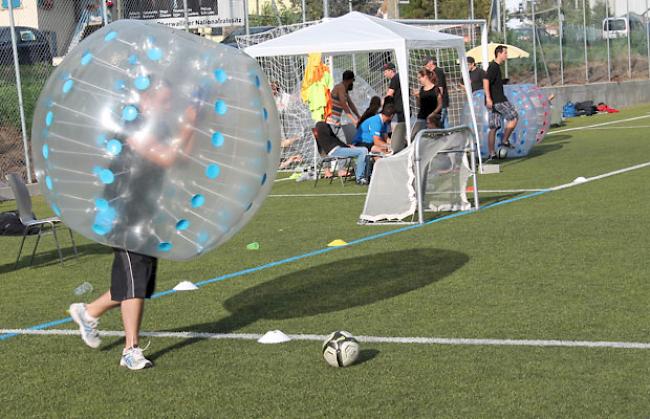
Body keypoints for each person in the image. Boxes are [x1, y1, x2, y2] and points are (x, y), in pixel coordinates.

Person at [69, 80, 196, 370]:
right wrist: (189, 123)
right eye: (163, 102)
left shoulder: (157, 126)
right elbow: (165, 157)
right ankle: (131, 350)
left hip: (144, 213)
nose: (168, 107)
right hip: (123, 214)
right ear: (146, 97)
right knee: (135, 281)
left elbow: (180, 160)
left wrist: (192, 124)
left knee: (137, 281)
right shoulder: (132, 124)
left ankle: (88, 312)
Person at [483, 45, 518, 160]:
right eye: (505, 53)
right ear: (499, 53)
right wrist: (488, 97)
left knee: (494, 127)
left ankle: (492, 154)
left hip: (492, 102)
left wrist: (502, 82)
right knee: (514, 117)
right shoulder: (494, 66)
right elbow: (486, 80)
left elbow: (492, 82)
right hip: (498, 100)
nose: (506, 55)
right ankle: (505, 140)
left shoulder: (495, 67)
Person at [326, 70, 360, 141]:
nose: (352, 83)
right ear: (349, 80)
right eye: (352, 80)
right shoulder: (340, 87)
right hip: (331, 121)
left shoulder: (345, 90)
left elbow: (351, 104)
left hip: (336, 121)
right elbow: (344, 104)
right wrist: (354, 120)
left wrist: (358, 116)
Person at [382, 63, 407, 153]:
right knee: (401, 130)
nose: (384, 74)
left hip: (399, 109)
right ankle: (402, 146)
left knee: (396, 130)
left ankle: (397, 148)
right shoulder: (400, 77)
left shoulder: (395, 78)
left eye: (385, 71)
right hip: (404, 108)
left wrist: (381, 103)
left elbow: (389, 94)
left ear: (390, 70)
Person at [412, 67, 443, 139]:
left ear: (425, 77)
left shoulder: (435, 89)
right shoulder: (421, 89)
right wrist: (417, 97)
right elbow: (419, 105)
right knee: (416, 136)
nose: (419, 80)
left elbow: (440, 104)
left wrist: (433, 114)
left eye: (420, 77)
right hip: (422, 117)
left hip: (433, 119)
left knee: (434, 137)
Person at [424, 56, 449, 128]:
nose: (425, 66)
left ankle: (445, 136)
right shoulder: (431, 73)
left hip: (441, 102)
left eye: (426, 63)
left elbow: (440, 88)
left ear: (431, 62)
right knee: (443, 122)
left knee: (440, 122)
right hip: (438, 102)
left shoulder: (438, 71)